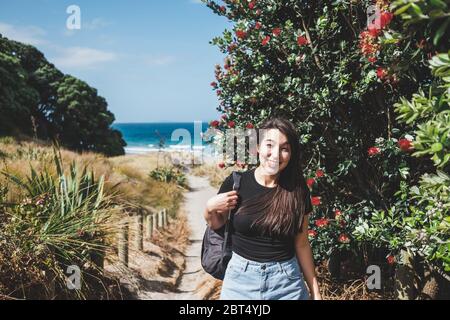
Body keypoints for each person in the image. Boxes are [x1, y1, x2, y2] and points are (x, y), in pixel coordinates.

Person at [204, 117, 322, 300]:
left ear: (290, 154)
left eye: (284, 149)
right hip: (239, 282)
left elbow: (302, 243)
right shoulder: (236, 183)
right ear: (257, 147)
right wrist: (209, 208)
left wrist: (316, 293)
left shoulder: (297, 191)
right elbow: (216, 225)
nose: (275, 154)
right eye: (269, 145)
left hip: (287, 284)